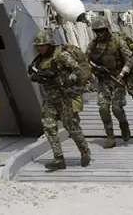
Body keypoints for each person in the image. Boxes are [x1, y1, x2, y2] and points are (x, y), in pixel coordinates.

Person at [28, 31, 91, 171]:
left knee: (72, 127)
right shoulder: (39, 60)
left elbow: (78, 71)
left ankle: (85, 151)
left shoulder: (62, 55)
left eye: (43, 45)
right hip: (50, 100)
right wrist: (37, 77)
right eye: (39, 46)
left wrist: (65, 80)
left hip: (65, 97)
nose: (41, 48)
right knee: (49, 127)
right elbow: (33, 73)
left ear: (49, 44)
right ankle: (58, 159)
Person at [87, 14, 133, 148]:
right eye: (97, 31)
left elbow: (129, 60)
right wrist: (94, 72)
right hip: (103, 81)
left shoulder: (117, 41)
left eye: (102, 30)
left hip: (117, 79)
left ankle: (123, 124)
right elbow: (86, 61)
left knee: (116, 108)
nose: (100, 33)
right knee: (103, 108)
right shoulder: (93, 44)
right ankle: (110, 136)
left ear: (107, 29)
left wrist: (122, 73)